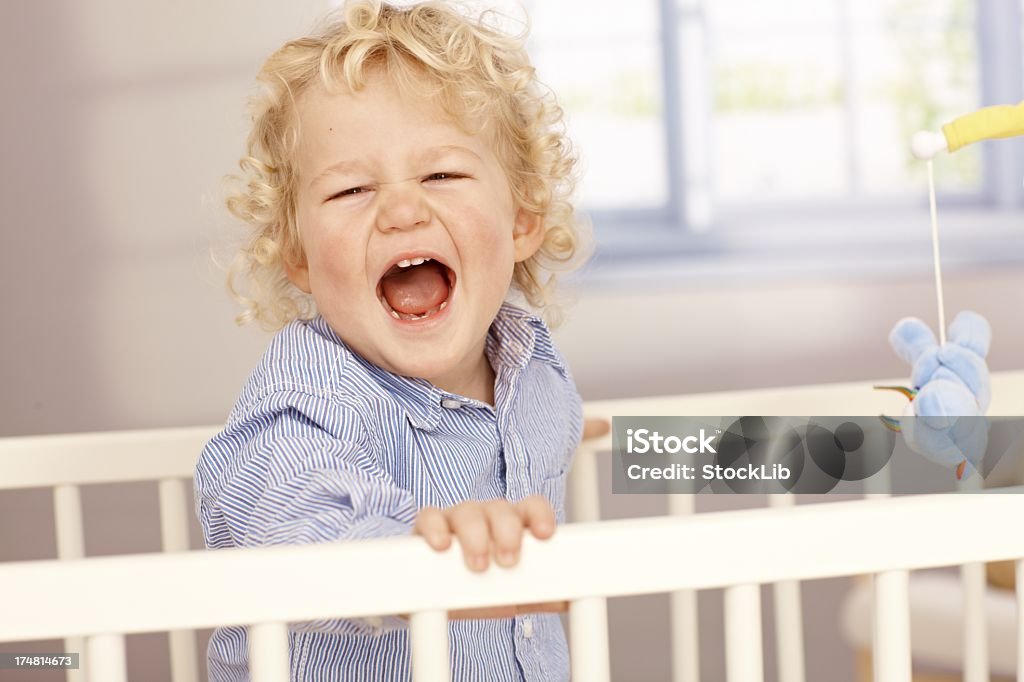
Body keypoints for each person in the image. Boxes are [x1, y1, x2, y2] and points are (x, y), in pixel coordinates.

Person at [194, 1, 594, 679]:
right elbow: (291, 513)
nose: (403, 210)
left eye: (442, 174)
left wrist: (566, 427)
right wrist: (413, 555)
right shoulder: (306, 402)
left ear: (522, 219)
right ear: (299, 257)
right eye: (351, 189)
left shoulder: (531, 368)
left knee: (828, 449)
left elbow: (542, 423)